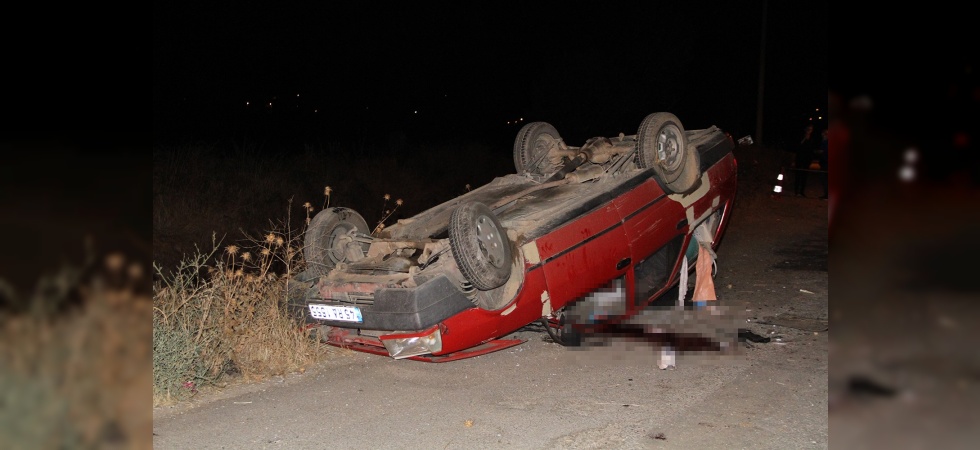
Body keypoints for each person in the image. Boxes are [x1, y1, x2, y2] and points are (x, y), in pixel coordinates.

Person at [793, 124, 818, 197]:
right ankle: (796, 191)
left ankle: (802, 191)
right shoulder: (801, 136)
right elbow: (798, 145)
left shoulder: (812, 138)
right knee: (798, 175)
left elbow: (812, 148)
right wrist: (804, 138)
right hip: (800, 158)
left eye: (811, 130)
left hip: (807, 159)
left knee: (804, 175)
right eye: (808, 129)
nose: (809, 131)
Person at [815, 128, 829, 199]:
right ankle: (826, 194)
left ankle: (827, 194)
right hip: (824, 161)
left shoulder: (826, 142)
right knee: (824, 179)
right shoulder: (823, 142)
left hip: (826, 162)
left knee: (825, 179)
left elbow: (824, 151)